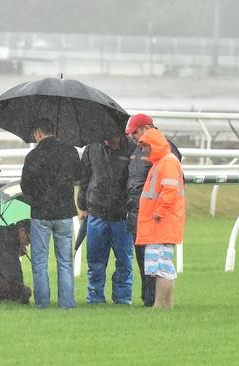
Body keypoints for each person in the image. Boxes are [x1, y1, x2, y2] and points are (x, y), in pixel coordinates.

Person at [21, 117, 81, 309]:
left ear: (39, 133)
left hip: (41, 214)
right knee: (65, 261)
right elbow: (79, 176)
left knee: (39, 262)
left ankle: (42, 303)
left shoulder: (32, 156)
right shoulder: (70, 151)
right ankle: (67, 303)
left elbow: (25, 187)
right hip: (64, 212)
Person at [125, 113, 182, 307]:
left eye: (143, 146)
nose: (142, 151)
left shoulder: (168, 161)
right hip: (155, 224)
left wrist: (158, 213)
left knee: (162, 269)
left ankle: (161, 305)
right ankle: (161, 304)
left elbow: (170, 190)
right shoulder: (159, 162)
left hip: (161, 223)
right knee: (157, 268)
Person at [77, 133, 134, 304]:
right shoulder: (92, 147)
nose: (110, 141)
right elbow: (84, 179)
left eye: (113, 137)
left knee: (124, 261)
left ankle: (123, 299)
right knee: (95, 261)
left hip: (122, 216)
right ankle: (95, 298)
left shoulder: (132, 148)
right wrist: (82, 206)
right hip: (96, 212)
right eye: (106, 137)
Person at [0, 219, 32, 304]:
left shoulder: (6, 234)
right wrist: (22, 290)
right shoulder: (8, 242)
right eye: (28, 239)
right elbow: (12, 274)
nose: (28, 244)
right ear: (22, 232)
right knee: (23, 292)